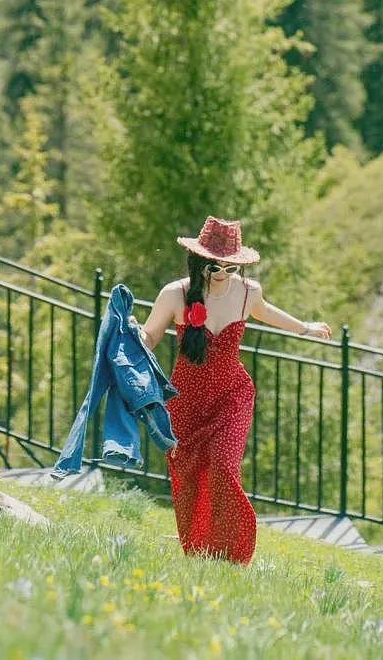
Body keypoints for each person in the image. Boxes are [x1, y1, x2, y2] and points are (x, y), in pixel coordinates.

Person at [138, 215, 332, 566]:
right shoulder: (175, 293)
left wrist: (306, 328)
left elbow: (267, 312)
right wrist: (136, 338)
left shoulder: (247, 292)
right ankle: (200, 552)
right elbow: (150, 336)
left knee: (224, 467)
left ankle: (234, 553)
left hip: (232, 396)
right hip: (186, 400)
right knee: (189, 475)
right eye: (216, 266)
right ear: (199, 261)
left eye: (230, 266)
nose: (223, 273)